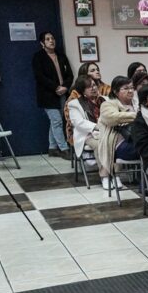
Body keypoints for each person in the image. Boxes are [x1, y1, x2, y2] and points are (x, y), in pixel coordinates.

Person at [31, 31, 72, 159]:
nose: (51, 41)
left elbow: (70, 75)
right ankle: (64, 149)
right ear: (42, 43)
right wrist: (56, 87)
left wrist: (65, 87)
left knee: (56, 122)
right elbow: (40, 76)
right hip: (48, 94)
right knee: (57, 121)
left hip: (63, 93)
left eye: (52, 38)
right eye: (48, 39)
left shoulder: (61, 56)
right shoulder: (38, 57)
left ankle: (52, 148)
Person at [95, 76, 138, 187]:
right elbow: (112, 118)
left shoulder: (137, 103)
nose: (130, 91)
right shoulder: (108, 104)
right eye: (126, 88)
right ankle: (108, 176)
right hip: (117, 142)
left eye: (132, 87)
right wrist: (137, 116)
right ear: (115, 91)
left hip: (136, 138)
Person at [66, 74, 108, 182]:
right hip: (88, 134)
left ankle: (115, 175)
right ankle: (105, 177)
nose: (93, 88)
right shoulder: (74, 104)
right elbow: (79, 123)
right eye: (89, 87)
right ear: (82, 91)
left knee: (116, 142)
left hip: (107, 131)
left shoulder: (105, 100)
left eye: (94, 85)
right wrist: (97, 127)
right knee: (100, 144)